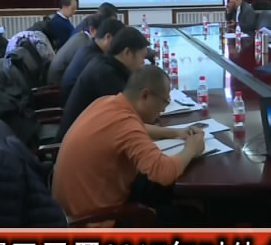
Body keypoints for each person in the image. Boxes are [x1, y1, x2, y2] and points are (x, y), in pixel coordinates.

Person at [52, 66, 205, 226]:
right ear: (145, 95)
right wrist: (191, 149)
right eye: (164, 101)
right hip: (94, 221)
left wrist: (175, 132)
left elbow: (137, 128)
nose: (164, 108)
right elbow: (163, 172)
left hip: (70, 209)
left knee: (160, 189)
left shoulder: (107, 102)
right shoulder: (126, 125)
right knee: (192, 215)